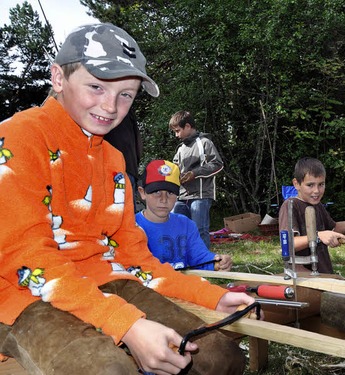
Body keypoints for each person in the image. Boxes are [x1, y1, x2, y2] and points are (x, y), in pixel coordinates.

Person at [0, 23, 254, 375]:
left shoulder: (113, 160)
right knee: (108, 370)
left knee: (218, 357)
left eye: (126, 94)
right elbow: (24, 258)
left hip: (105, 278)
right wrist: (126, 324)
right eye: (96, 86)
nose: (110, 106)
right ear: (58, 78)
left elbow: (135, 257)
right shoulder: (18, 136)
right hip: (21, 294)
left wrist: (212, 296)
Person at [136, 159, 233, 271]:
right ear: (142, 192)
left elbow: (199, 257)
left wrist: (216, 262)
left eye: (170, 192)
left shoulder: (186, 224)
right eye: (157, 192)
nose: (163, 199)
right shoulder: (131, 226)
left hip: (180, 285)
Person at [278, 157, 345, 274]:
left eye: (321, 184)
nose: (316, 191)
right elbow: (288, 244)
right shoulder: (291, 206)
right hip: (302, 276)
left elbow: (333, 228)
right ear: (296, 184)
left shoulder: (318, 206)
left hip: (323, 272)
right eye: (310, 185)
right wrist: (318, 236)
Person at [170, 110, 224, 246]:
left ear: (188, 126)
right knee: (179, 230)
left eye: (178, 131)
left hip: (200, 195)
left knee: (199, 230)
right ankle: (183, 260)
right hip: (181, 197)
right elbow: (175, 169)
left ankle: (203, 263)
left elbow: (217, 165)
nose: (176, 135)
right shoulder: (180, 148)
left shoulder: (205, 142)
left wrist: (194, 173)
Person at [104, 107, 143, 210]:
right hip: (129, 167)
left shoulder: (104, 107)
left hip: (111, 169)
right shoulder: (127, 109)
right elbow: (138, 143)